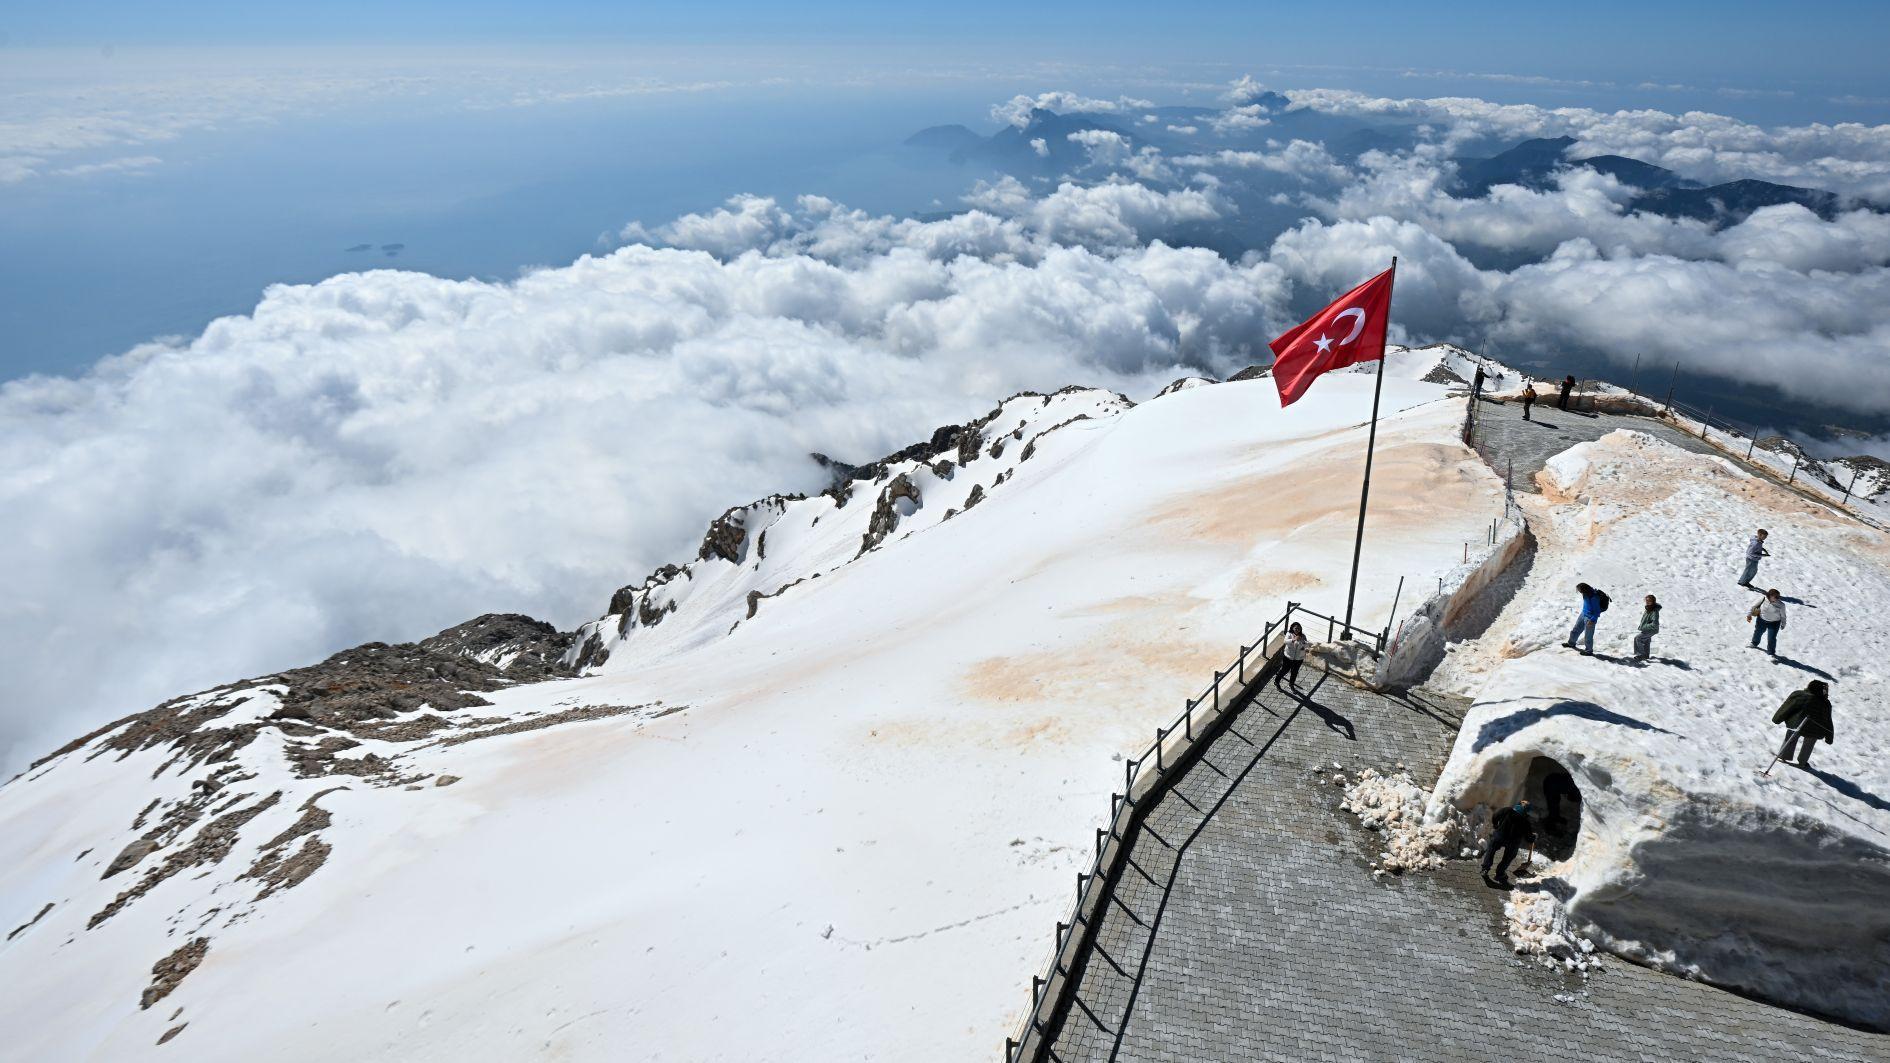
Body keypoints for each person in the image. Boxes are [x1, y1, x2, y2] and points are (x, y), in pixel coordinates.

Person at [1772, 680, 1833, 769]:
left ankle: (1784, 755)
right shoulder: (1826, 703)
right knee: (1810, 742)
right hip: (1816, 730)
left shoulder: (1800, 695)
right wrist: (1829, 736)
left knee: (1791, 735)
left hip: (1798, 725)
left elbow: (1788, 707)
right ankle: (1803, 762)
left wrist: (1777, 719)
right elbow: (1828, 721)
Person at [1481, 799, 1537, 883]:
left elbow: (1495, 816)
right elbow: (1528, 838)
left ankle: (1485, 869)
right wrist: (1533, 837)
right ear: (1526, 811)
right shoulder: (1525, 823)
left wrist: (1496, 825)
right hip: (1513, 842)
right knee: (1508, 857)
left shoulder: (1506, 810)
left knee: (1491, 850)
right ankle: (1499, 874)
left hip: (1499, 836)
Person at [1564, 582, 1608, 655]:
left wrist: (1592, 620)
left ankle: (1589, 651)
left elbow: (1597, 611)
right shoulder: (1586, 594)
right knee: (1576, 630)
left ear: (1584, 590)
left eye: (1580, 590)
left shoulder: (1594, 597)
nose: (1579, 592)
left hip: (1590, 618)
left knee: (1588, 636)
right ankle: (1571, 643)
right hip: (1583, 614)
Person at [1748, 588, 1787, 655]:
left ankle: (1771, 653)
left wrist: (1783, 624)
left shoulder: (1781, 605)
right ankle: (1754, 643)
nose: (1778, 598)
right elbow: (1754, 606)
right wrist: (1749, 615)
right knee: (1758, 632)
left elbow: (1783, 615)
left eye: (1778, 596)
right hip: (1761, 620)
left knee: (1771, 638)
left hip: (1774, 623)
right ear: (1770, 596)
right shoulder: (1763, 599)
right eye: (1776, 597)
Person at [1278, 622, 1309, 687]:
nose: (1297, 630)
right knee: (1284, 670)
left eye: (1299, 628)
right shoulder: (1289, 634)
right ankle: (1277, 681)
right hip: (1288, 657)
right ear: (1292, 628)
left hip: (1299, 658)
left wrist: (1303, 643)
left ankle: (1291, 684)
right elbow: (1285, 641)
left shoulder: (1303, 636)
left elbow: (1307, 644)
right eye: (1296, 628)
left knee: (1294, 672)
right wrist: (1293, 639)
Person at [1633, 594, 1661, 661]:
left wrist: (1644, 626)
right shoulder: (1649, 608)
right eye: (1646, 600)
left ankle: (1641, 655)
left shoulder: (1654, 611)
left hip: (1651, 630)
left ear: (1653, 601)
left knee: (1638, 638)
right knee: (1646, 641)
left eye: (1649, 601)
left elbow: (1655, 624)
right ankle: (1646, 655)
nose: (1647, 602)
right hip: (1649, 629)